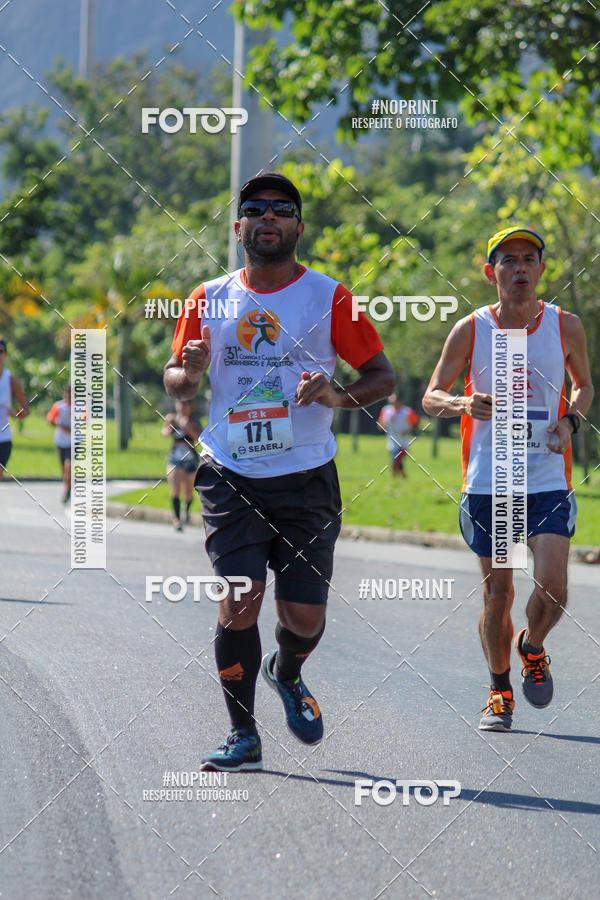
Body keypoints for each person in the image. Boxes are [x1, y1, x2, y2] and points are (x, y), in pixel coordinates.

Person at [164, 172, 394, 770]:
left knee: (303, 618)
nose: (269, 217)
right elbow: (179, 382)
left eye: (282, 210)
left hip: (306, 477)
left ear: (297, 226)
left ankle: (286, 670)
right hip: (230, 471)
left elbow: (382, 376)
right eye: (256, 209)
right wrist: (187, 371)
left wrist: (335, 394)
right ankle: (243, 735)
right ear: (238, 226)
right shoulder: (208, 297)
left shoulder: (330, 296)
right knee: (239, 598)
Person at [422, 226, 594, 732]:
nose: (519, 268)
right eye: (508, 260)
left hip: (545, 477)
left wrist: (569, 422)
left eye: (529, 259)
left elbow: (584, 386)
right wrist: (459, 403)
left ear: (541, 269)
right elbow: (432, 395)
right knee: (498, 594)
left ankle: (532, 646)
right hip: (489, 482)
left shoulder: (566, 325)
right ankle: (499, 692)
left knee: (555, 587)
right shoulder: (471, 329)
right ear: (490, 271)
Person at [162, 399, 201, 530]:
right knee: (175, 489)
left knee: (189, 492)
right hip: (175, 458)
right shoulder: (172, 419)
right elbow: (165, 433)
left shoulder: (194, 421)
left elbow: (199, 437)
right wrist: (169, 425)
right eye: (180, 404)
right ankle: (176, 519)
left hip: (190, 459)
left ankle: (186, 510)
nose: (182, 407)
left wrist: (187, 427)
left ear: (191, 406)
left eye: (185, 404)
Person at [0, 337, 30, 482]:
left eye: (0, 352)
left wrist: (15, 413)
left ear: (5, 355)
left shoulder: (10, 379)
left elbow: (25, 410)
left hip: (3, 438)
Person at [377, 392, 419, 477]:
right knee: (397, 462)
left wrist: (408, 431)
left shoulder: (407, 412)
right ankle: (402, 479)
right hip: (391, 442)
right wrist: (381, 426)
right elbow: (380, 423)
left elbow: (415, 424)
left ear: (400, 401)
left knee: (396, 461)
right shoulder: (386, 410)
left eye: (394, 401)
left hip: (404, 443)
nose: (393, 404)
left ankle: (394, 479)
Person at [47, 384, 72, 502]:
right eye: (67, 393)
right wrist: (57, 423)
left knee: (69, 466)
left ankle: (68, 489)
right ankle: (68, 488)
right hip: (61, 441)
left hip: (74, 442)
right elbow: (50, 420)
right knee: (63, 469)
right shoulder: (59, 406)